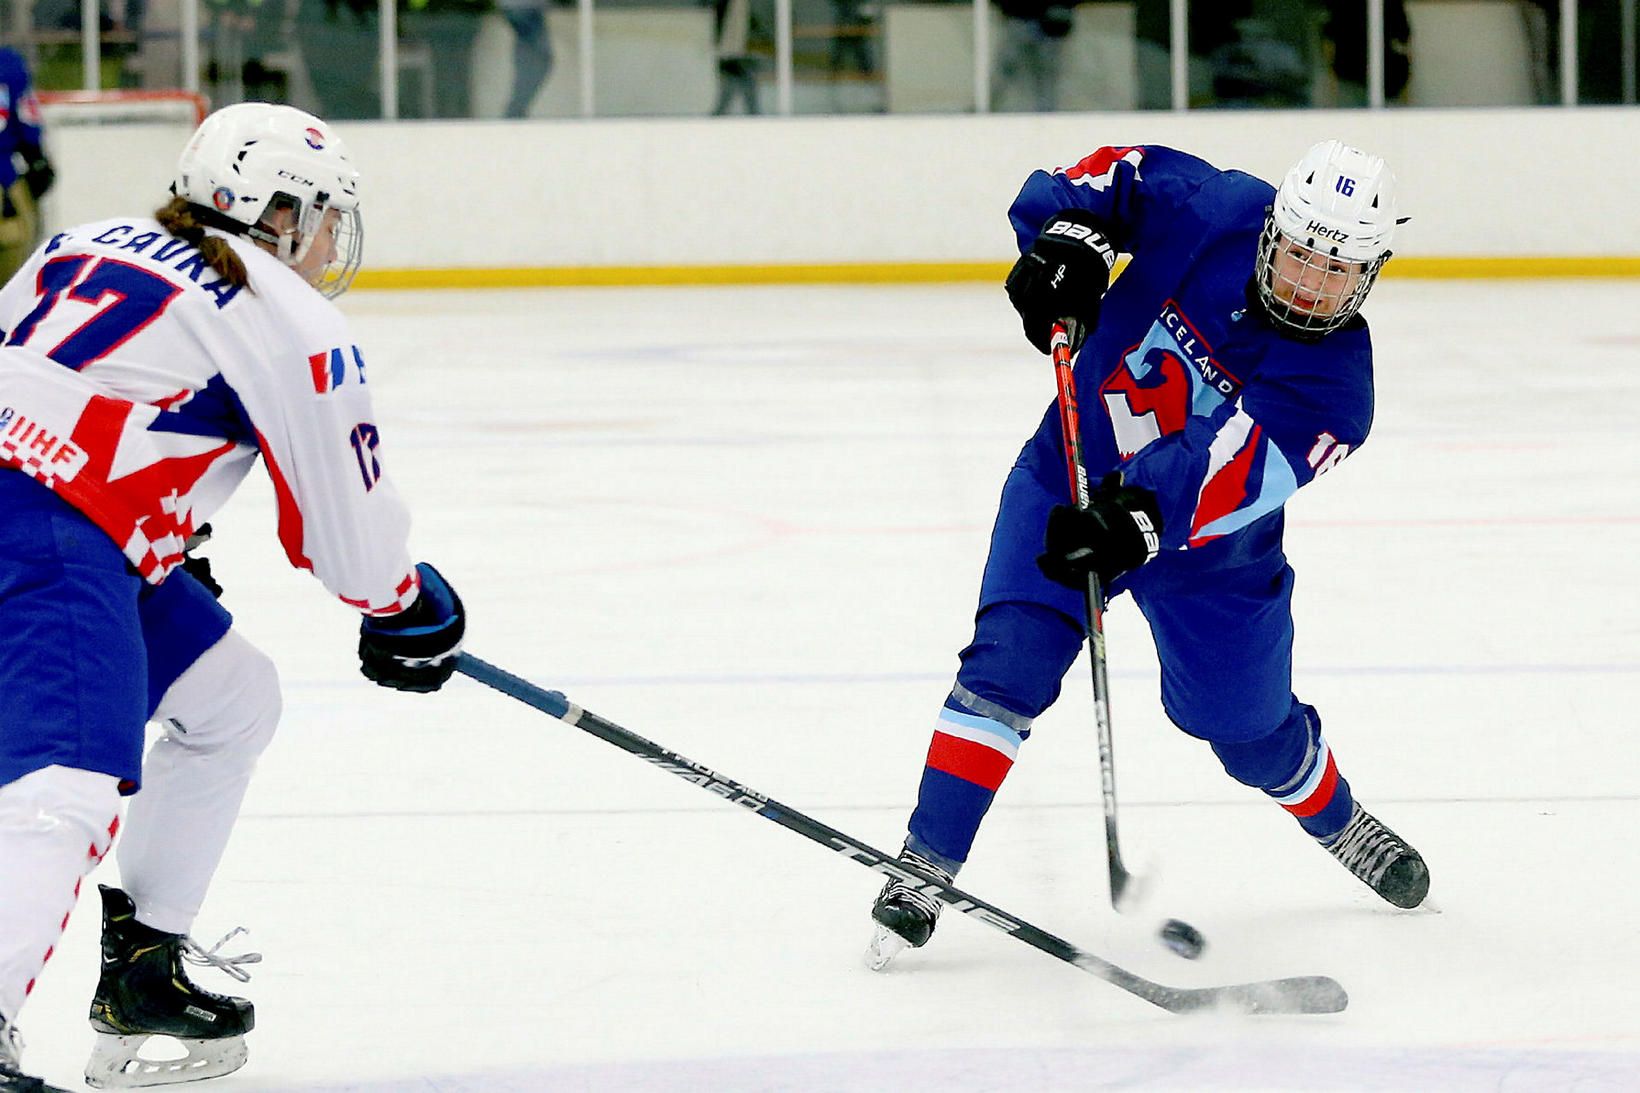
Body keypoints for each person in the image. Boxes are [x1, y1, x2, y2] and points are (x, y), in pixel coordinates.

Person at [866, 140, 1430, 967]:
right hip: (1073, 465)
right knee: (1008, 664)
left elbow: (1230, 469)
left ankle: (1337, 817)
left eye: (1337, 274)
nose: (1311, 286)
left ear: (1369, 276)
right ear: (1273, 228)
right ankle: (924, 864)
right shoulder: (1217, 205)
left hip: (1209, 549)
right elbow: (1104, 181)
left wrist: (1141, 510)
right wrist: (1067, 236)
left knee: (1243, 725)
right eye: (1302, 257)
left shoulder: (1338, 389)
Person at [0, 102, 465, 1091]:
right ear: (278, 209)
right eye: (327, 216)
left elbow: (63, 380)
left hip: (67, 523)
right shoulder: (282, 307)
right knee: (66, 785)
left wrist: (159, 531)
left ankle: (144, 968)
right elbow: (347, 530)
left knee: (230, 697)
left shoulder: (78, 241)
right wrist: (405, 603)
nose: (334, 241)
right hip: (48, 530)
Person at [0, 47, 54, 285]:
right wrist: (37, 159)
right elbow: (26, 122)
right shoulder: (8, 63)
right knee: (13, 288)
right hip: (5, 184)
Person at [993, 0, 1076, 112]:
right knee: (1007, 68)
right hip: (1020, 20)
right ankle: (988, 107)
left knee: (1045, 73)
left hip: (1046, 24)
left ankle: (1047, 111)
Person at [498, 0, 554, 118]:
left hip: (525, 7)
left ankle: (515, 113)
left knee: (534, 56)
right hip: (524, 7)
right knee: (538, 59)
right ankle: (514, 113)